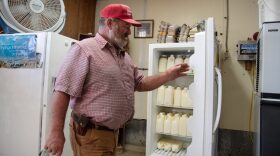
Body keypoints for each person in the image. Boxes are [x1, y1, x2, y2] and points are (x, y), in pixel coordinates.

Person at [44, 3, 189, 156]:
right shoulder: (84, 49)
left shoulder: (124, 56)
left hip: (112, 134)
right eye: (126, 26)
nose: (129, 32)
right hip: (91, 135)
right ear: (109, 23)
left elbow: (140, 83)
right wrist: (55, 132)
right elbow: (63, 90)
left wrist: (168, 75)